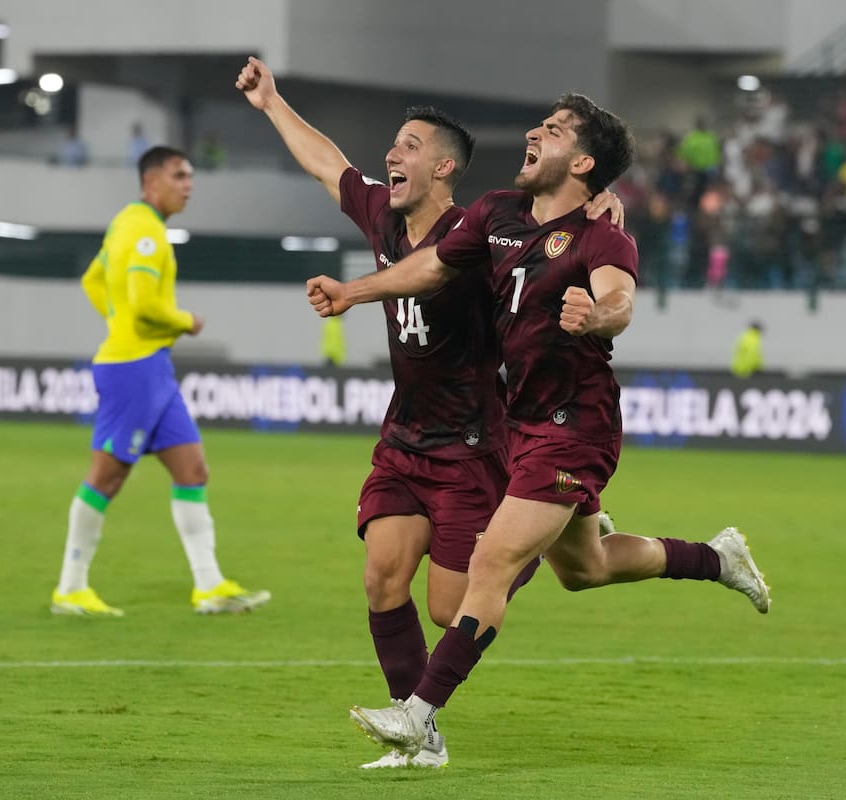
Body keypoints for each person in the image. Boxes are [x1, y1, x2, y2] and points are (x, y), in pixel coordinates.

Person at [306, 92, 771, 758]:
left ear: (582, 161)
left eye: (551, 130)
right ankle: (716, 558)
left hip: (574, 425)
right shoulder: (496, 213)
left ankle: (419, 718)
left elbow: (619, 297)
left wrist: (598, 314)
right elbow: (433, 266)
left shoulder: (602, 233)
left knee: (491, 564)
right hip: (520, 422)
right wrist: (354, 291)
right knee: (586, 568)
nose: (533, 132)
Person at [237, 57, 623, 769]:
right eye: (394, 144)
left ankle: (540, 536)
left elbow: (558, 239)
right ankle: (421, 733)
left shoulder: (478, 238)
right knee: (383, 575)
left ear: (445, 168)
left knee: (453, 607)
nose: (393, 154)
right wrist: (271, 103)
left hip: (475, 448)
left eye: (410, 146)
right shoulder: (384, 216)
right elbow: (330, 166)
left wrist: (597, 215)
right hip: (404, 437)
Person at [50, 145, 270, 617]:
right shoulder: (148, 233)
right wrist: (184, 320)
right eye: (179, 176)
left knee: (192, 470)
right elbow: (147, 304)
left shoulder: (123, 223)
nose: (188, 184)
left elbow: (93, 280)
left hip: (149, 367)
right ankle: (70, 588)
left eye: (190, 176)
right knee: (107, 477)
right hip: (134, 368)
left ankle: (209, 587)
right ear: (152, 183)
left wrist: (120, 321)